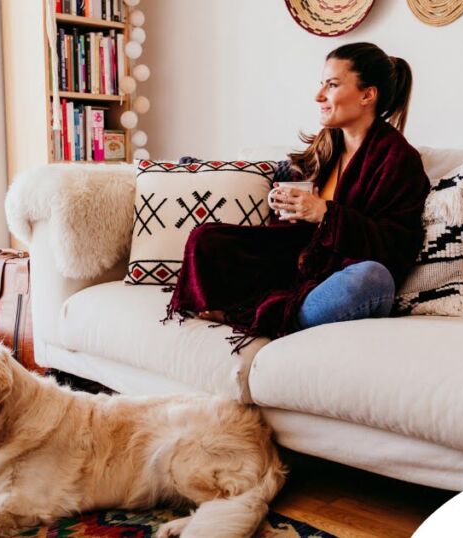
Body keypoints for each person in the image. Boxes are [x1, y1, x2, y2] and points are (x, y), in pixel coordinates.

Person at [164, 42, 431, 352]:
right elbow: (297, 232)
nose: (318, 96)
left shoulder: (398, 159)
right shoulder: (325, 146)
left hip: (346, 277)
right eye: (321, 84)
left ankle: (268, 317)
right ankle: (266, 310)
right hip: (301, 266)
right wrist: (288, 209)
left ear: (367, 95)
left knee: (372, 278)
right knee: (207, 238)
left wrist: (325, 215)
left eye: (332, 85)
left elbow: (396, 247)